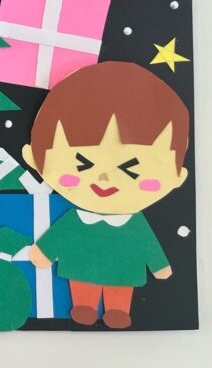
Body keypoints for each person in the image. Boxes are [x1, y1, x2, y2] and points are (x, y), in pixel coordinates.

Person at [22, 62, 190, 329]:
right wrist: (44, 251)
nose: (104, 179)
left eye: (131, 170)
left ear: (177, 176)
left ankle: (118, 311)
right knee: (83, 284)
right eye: (83, 164)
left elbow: (148, 245)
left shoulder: (134, 224)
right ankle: (84, 306)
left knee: (120, 287)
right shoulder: (76, 219)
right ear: (33, 157)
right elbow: (59, 236)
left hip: (123, 269)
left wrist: (159, 266)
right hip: (82, 266)